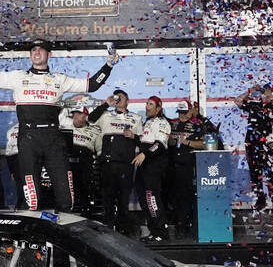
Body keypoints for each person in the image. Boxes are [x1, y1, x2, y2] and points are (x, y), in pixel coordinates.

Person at [0, 35, 118, 211]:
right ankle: (34, 236)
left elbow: (92, 85)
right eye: (33, 50)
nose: (36, 52)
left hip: (53, 138)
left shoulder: (59, 79)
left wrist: (109, 65)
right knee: (32, 199)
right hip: (29, 139)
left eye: (40, 49)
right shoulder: (18, 77)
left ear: (49, 55)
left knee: (65, 195)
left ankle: (60, 235)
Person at [89, 89, 143, 229]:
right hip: (108, 163)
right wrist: (106, 104)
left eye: (121, 97)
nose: (118, 99)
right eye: (116, 97)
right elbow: (91, 119)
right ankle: (108, 226)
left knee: (124, 197)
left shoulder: (136, 118)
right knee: (108, 196)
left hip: (126, 164)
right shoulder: (106, 115)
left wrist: (133, 136)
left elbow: (142, 141)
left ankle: (123, 228)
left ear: (128, 101)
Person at [167, 101, 208, 239]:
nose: (182, 116)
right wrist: (171, 140)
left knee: (185, 197)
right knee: (171, 196)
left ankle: (183, 226)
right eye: (180, 112)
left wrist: (187, 142)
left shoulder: (197, 125)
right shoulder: (172, 123)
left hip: (187, 166)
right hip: (171, 165)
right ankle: (176, 223)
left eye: (184, 113)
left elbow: (204, 144)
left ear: (191, 111)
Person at [134, 96, 172, 242]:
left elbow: (160, 145)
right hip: (144, 166)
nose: (146, 106)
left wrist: (144, 154)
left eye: (150, 104)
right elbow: (145, 141)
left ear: (158, 108)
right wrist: (134, 137)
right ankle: (153, 231)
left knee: (152, 198)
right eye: (146, 103)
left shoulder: (163, 123)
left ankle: (162, 233)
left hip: (154, 166)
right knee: (144, 199)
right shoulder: (147, 122)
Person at [235, 83, 273, 209]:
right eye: (265, 92)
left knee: (270, 170)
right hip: (252, 143)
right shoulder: (254, 105)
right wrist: (250, 90)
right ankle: (260, 198)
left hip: (268, 143)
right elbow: (238, 101)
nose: (267, 95)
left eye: (269, 92)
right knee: (254, 171)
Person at [60, 105, 102, 216]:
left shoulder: (95, 130)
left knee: (85, 190)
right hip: (66, 165)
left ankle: (86, 213)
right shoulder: (65, 126)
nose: (76, 117)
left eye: (79, 114)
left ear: (85, 116)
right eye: (74, 114)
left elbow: (100, 150)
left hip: (84, 165)